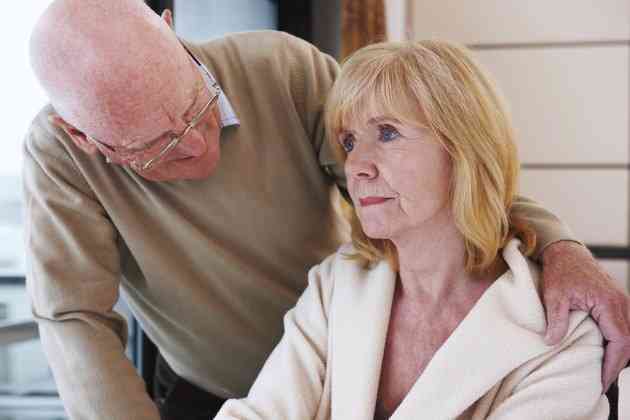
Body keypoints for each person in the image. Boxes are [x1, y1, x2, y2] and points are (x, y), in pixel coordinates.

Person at [24, 1, 629, 419]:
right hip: (216, 386)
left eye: (198, 106)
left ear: (170, 28)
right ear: (82, 137)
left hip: (335, 369)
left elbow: (436, 188)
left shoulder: (282, 70)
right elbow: (73, 317)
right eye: (156, 148)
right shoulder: (332, 295)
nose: (200, 146)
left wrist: (557, 244)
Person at [215, 40, 622, 420]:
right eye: (350, 140)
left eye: (388, 133)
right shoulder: (336, 284)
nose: (356, 165)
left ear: (464, 149)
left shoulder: (561, 331)